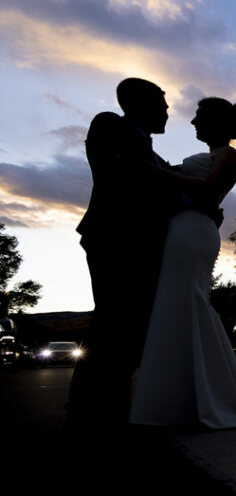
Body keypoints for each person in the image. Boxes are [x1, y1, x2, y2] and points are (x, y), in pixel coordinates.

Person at [130, 97, 236, 428]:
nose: (193, 122)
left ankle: (203, 395)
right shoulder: (209, 154)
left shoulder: (229, 154)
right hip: (180, 229)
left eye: (199, 117)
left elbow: (210, 191)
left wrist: (156, 173)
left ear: (215, 122)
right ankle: (178, 394)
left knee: (190, 300)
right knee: (175, 304)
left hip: (196, 230)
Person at [67, 78, 180, 429]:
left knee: (128, 329)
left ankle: (112, 407)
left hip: (142, 247)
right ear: (139, 103)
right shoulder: (109, 125)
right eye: (162, 103)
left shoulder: (152, 154)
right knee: (113, 324)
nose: (167, 110)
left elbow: (158, 180)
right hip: (115, 241)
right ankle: (92, 414)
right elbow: (126, 177)